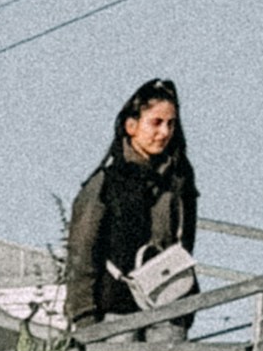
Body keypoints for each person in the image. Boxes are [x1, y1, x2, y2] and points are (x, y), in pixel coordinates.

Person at [62, 79, 196, 335]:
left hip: (170, 307)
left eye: (171, 123)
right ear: (131, 126)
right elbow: (82, 255)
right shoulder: (104, 183)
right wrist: (85, 319)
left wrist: (186, 308)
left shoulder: (179, 179)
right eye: (156, 122)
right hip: (115, 312)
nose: (165, 132)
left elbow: (186, 241)